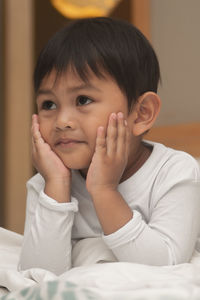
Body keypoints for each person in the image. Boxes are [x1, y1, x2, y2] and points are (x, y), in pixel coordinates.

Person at [18, 17, 200, 275]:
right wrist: (57, 186)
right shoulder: (47, 183)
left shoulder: (175, 172)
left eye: (82, 99)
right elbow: (36, 277)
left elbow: (167, 267)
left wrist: (104, 191)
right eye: (49, 104)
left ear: (140, 114)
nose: (61, 121)